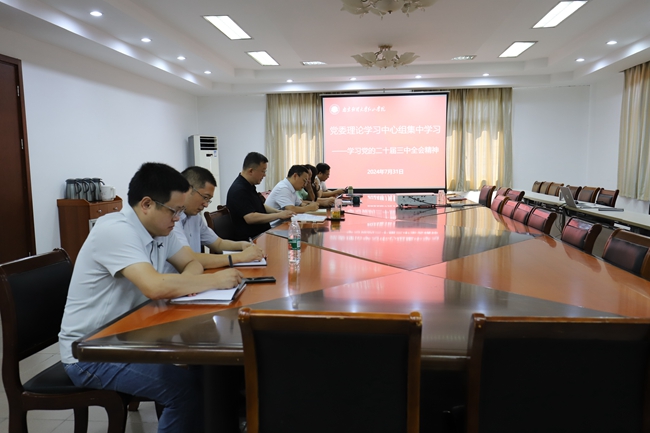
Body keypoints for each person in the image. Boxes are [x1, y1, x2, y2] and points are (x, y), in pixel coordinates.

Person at [59, 162, 243, 433]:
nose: (178, 218)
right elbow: (154, 287)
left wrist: (189, 281)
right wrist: (214, 280)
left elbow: (191, 262)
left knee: (210, 373)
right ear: (146, 204)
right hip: (92, 352)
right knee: (186, 391)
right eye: (174, 210)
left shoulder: (160, 230)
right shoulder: (116, 230)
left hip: (133, 338)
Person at [163, 166, 265, 273]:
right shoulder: (171, 219)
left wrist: (243, 245)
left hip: (193, 276)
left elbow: (218, 244)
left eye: (209, 200)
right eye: (205, 197)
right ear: (188, 189)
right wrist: (240, 257)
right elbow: (188, 257)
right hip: (176, 279)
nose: (206, 204)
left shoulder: (195, 217)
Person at [226, 152, 294, 241]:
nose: (264, 175)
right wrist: (278, 215)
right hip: (252, 239)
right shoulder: (239, 189)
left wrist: (279, 211)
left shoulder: (248, 185)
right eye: (263, 171)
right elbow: (250, 217)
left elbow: (259, 205)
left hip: (262, 234)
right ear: (251, 171)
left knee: (292, 235)